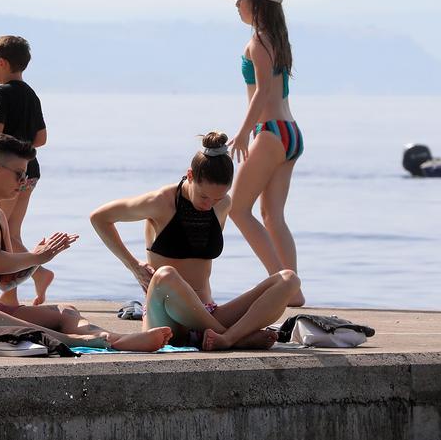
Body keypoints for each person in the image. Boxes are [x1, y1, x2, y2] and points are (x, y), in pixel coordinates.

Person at [0, 133, 169, 351]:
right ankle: (77, 341)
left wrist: (40, 260)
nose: (23, 182)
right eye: (18, 175)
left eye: (25, 176)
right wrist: (37, 256)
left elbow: (5, 282)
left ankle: (118, 339)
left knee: (65, 311)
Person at [89, 133, 301, 351]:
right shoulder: (160, 202)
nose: (209, 205)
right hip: (166, 317)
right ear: (190, 175)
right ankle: (234, 337)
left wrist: (217, 202)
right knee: (166, 275)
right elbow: (100, 218)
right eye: (204, 197)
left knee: (288, 280)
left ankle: (227, 338)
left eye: (217, 198)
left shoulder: (222, 205)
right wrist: (132, 265)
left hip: (207, 314)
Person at [224, 0, 305, 306]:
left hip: (270, 132)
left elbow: (262, 92)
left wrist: (243, 132)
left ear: (255, 5)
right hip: (291, 133)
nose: (237, 6)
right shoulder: (277, 39)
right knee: (272, 215)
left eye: (241, 0)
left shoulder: (257, 42)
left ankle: (283, 285)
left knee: (237, 209)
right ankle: (294, 290)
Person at [0, 35, 52, 306]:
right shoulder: (31, 94)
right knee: (12, 233)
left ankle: (13, 292)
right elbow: (40, 139)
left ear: (2, 62)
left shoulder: (1, 94)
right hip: (30, 172)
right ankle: (36, 276)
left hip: (3, 175)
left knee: (0, 237)